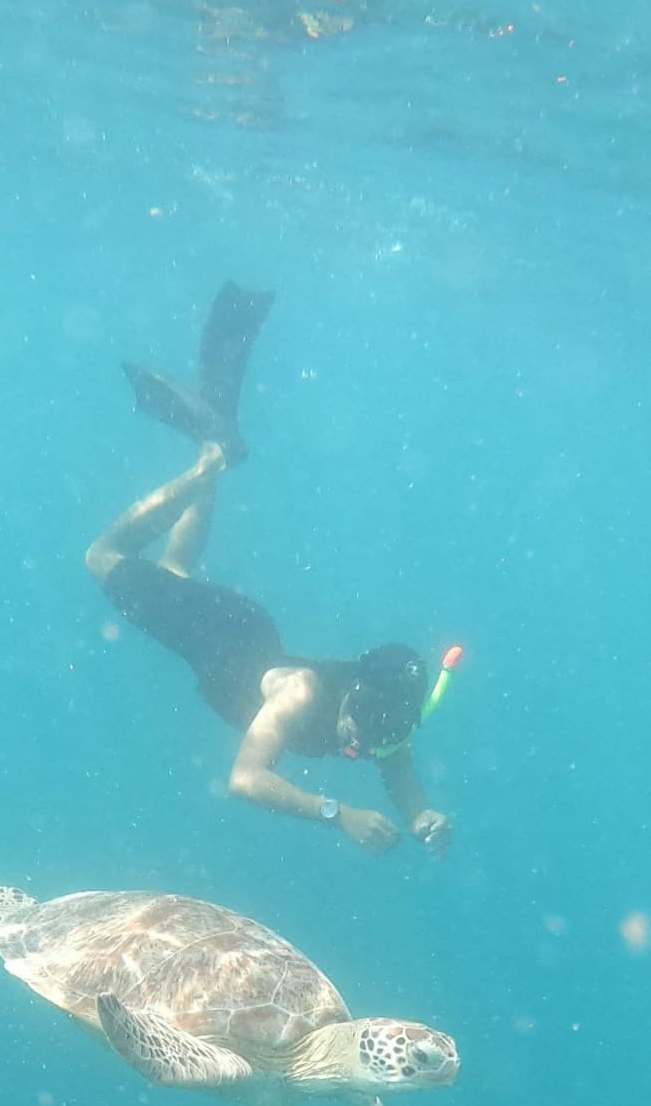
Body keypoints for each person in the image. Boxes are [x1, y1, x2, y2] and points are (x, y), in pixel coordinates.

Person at [84, 283, 455, 857]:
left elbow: (399, 773)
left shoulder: (386, 722)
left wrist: (422, 815)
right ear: (353, 692)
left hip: (245, 638)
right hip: (217, 636)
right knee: (103, 557)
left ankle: (213, 441)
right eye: (364, 726)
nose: (361, 743)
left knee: (175, 571)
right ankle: (208, 466)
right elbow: (246, 779)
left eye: (377, 736)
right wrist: (339, 814)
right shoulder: (301, 695)